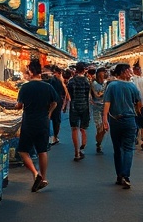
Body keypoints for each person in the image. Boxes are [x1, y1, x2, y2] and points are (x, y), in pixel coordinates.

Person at [16, 60, 59, 192]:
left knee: (23, 150)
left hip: (29, 121)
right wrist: (49, 114)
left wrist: (13, 105)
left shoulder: (25, 87)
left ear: (30, 71)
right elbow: (55, 102)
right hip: (43, 121)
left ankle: (36, 173)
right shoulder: (48, 87)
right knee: (42, 151)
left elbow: (19, 106)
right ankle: (43, 177)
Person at [102, 63, 142, 188]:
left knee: (117, 149)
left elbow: (107, 103)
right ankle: (126, 175)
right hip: (130, 120)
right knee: (129, 149)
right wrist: (137, 112)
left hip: (115, 120)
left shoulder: (111, 86)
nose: (131, 73)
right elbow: (139, 103)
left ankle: (119, 175)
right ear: (123, 72)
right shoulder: (133, 86)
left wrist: (105, 119)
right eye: (129, 71)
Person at [66, 61, 92, 161]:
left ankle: (76, 152)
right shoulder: (87, 81)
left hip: (74, 107)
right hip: (85, 107)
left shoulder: (71, 81)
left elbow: (70, 96)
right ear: (84, 70)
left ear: (76, 69)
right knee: (83, 129)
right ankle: (82, 148)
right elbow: (87, 95)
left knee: (74, 129)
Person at [45, 65, 67, 145]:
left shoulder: (48, 81)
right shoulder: (58, 81)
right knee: (56, 120)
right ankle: (54, 137)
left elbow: (63, 93)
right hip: (56, 102)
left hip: (50, 103)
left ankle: (50, 137)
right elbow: (63, 93)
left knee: (49, 119)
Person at [90, 66, 109, 153]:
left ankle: (99, 143)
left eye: (105, 72)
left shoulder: (106, 82)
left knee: (104, 129)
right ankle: (98, 143)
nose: (104, 73)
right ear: (98, 74)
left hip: (105, 108)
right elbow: (96, 95)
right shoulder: (93, 83)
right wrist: (101, 93)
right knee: (99, 128)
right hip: (97, 108)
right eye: (102, 72)